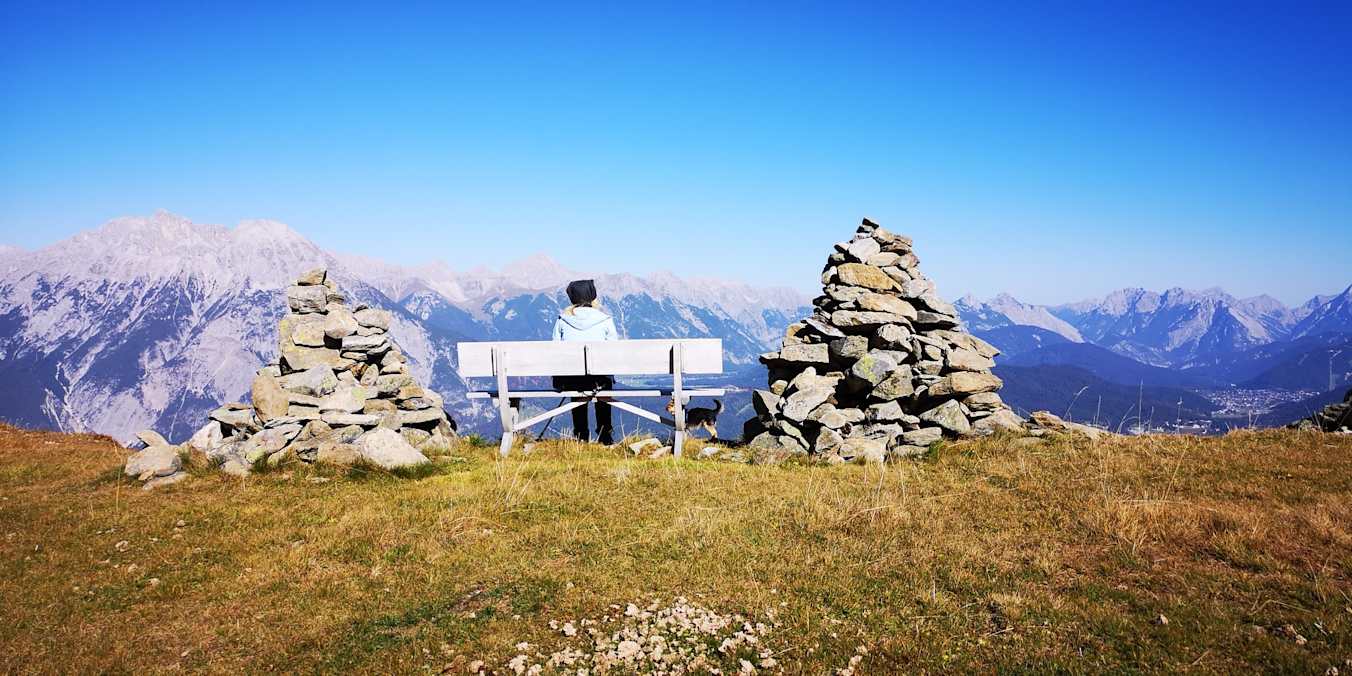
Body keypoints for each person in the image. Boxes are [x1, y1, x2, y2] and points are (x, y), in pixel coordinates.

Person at [552, 279, 618, 444]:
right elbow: (614, 352)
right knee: (605, 383)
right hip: (599, 380)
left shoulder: (562, 320)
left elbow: (554, 352)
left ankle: (581, 435)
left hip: (572, 380)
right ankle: (605, 434)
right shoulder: (605, 320)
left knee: (576, 382)